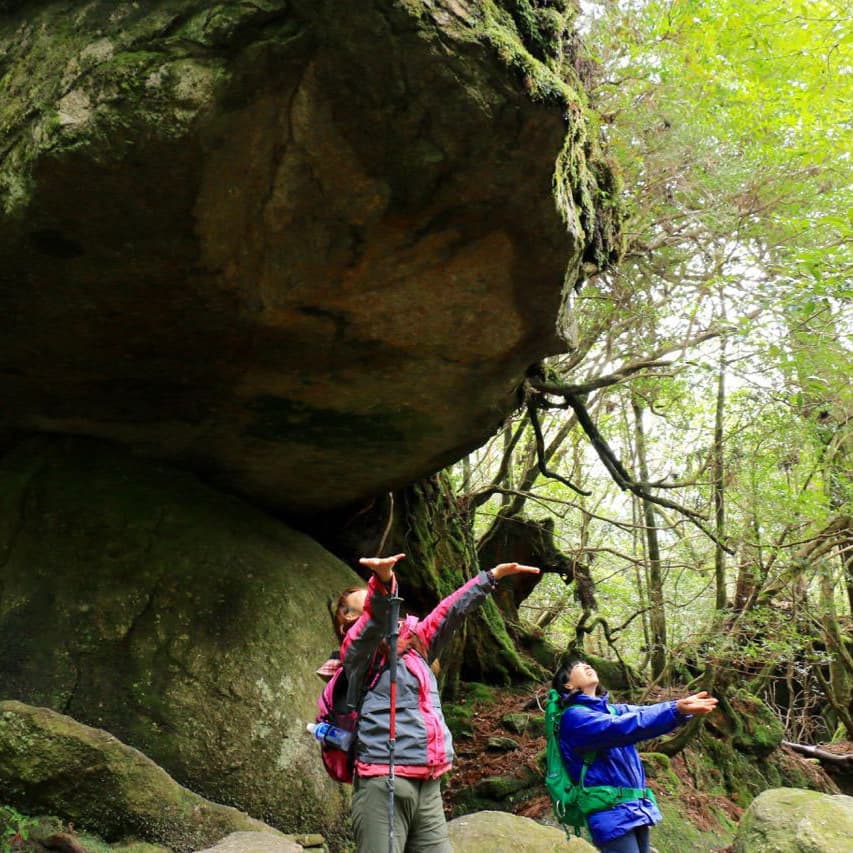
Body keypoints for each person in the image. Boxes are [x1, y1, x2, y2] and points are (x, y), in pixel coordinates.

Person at [338, 553, 540, 853]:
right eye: (366, 601)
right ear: (349, 617)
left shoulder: (418, 646)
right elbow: (373, 623)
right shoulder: (358, 654)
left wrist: (490, 577)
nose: (379, 604)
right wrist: (383, 582)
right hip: (385, 780)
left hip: (429, 782)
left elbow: (451, 609)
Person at [553, 659, 718, 853]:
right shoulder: (575, 719)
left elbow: (644, 712)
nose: (587, 666)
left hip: (633, 808)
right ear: (568, 685)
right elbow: (624, 727)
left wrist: (678, 707)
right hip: (610, 814)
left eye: (587, 664)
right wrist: (675, 710)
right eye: (578, 666)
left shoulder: (612, 710)